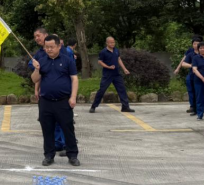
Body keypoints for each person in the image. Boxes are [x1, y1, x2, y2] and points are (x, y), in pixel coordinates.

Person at [31, 34, 80, 167]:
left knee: (68, 129)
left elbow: (74, 79)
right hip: (46, 101)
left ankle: (72, 155)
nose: (49, 49)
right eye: (47, 47)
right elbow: (35, 79)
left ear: (59, 46)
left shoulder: (67, 60)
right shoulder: (42, 61)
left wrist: (73, 97)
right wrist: (37, 69)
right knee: (47, 130)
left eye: (52, 47)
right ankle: (49, 155)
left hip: (63, 101)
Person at [89, 36, 134, 113]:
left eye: (113, 42)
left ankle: (125, 107)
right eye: (111, 42)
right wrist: (108, 67)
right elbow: (100, 62)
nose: (112, 44)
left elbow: (119, 59)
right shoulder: (103, 52)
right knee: (102, 90)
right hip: (107, 75)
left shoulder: (116, 50)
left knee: (122, 90)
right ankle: (93, 106)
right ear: (107, 43)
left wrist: (124, 69)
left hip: (117, 74)